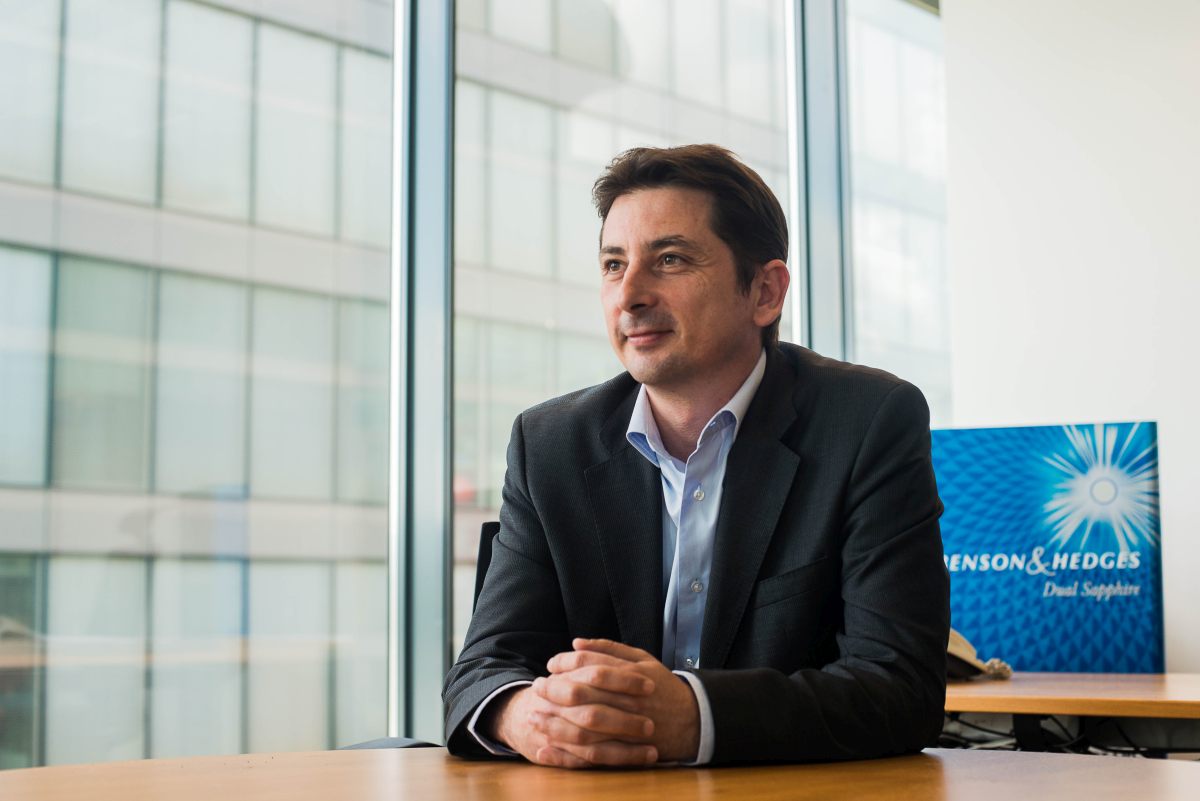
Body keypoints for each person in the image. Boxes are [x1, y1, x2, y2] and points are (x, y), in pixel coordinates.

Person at [442, 144, 949, 767]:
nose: (629, 295)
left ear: (765, 292)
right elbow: (482, 670)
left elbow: (900, 687)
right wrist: (526, 715)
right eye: (613, 265)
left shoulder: (867, 422)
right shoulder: (550, 443)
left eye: (671, 260)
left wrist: (694, 715)